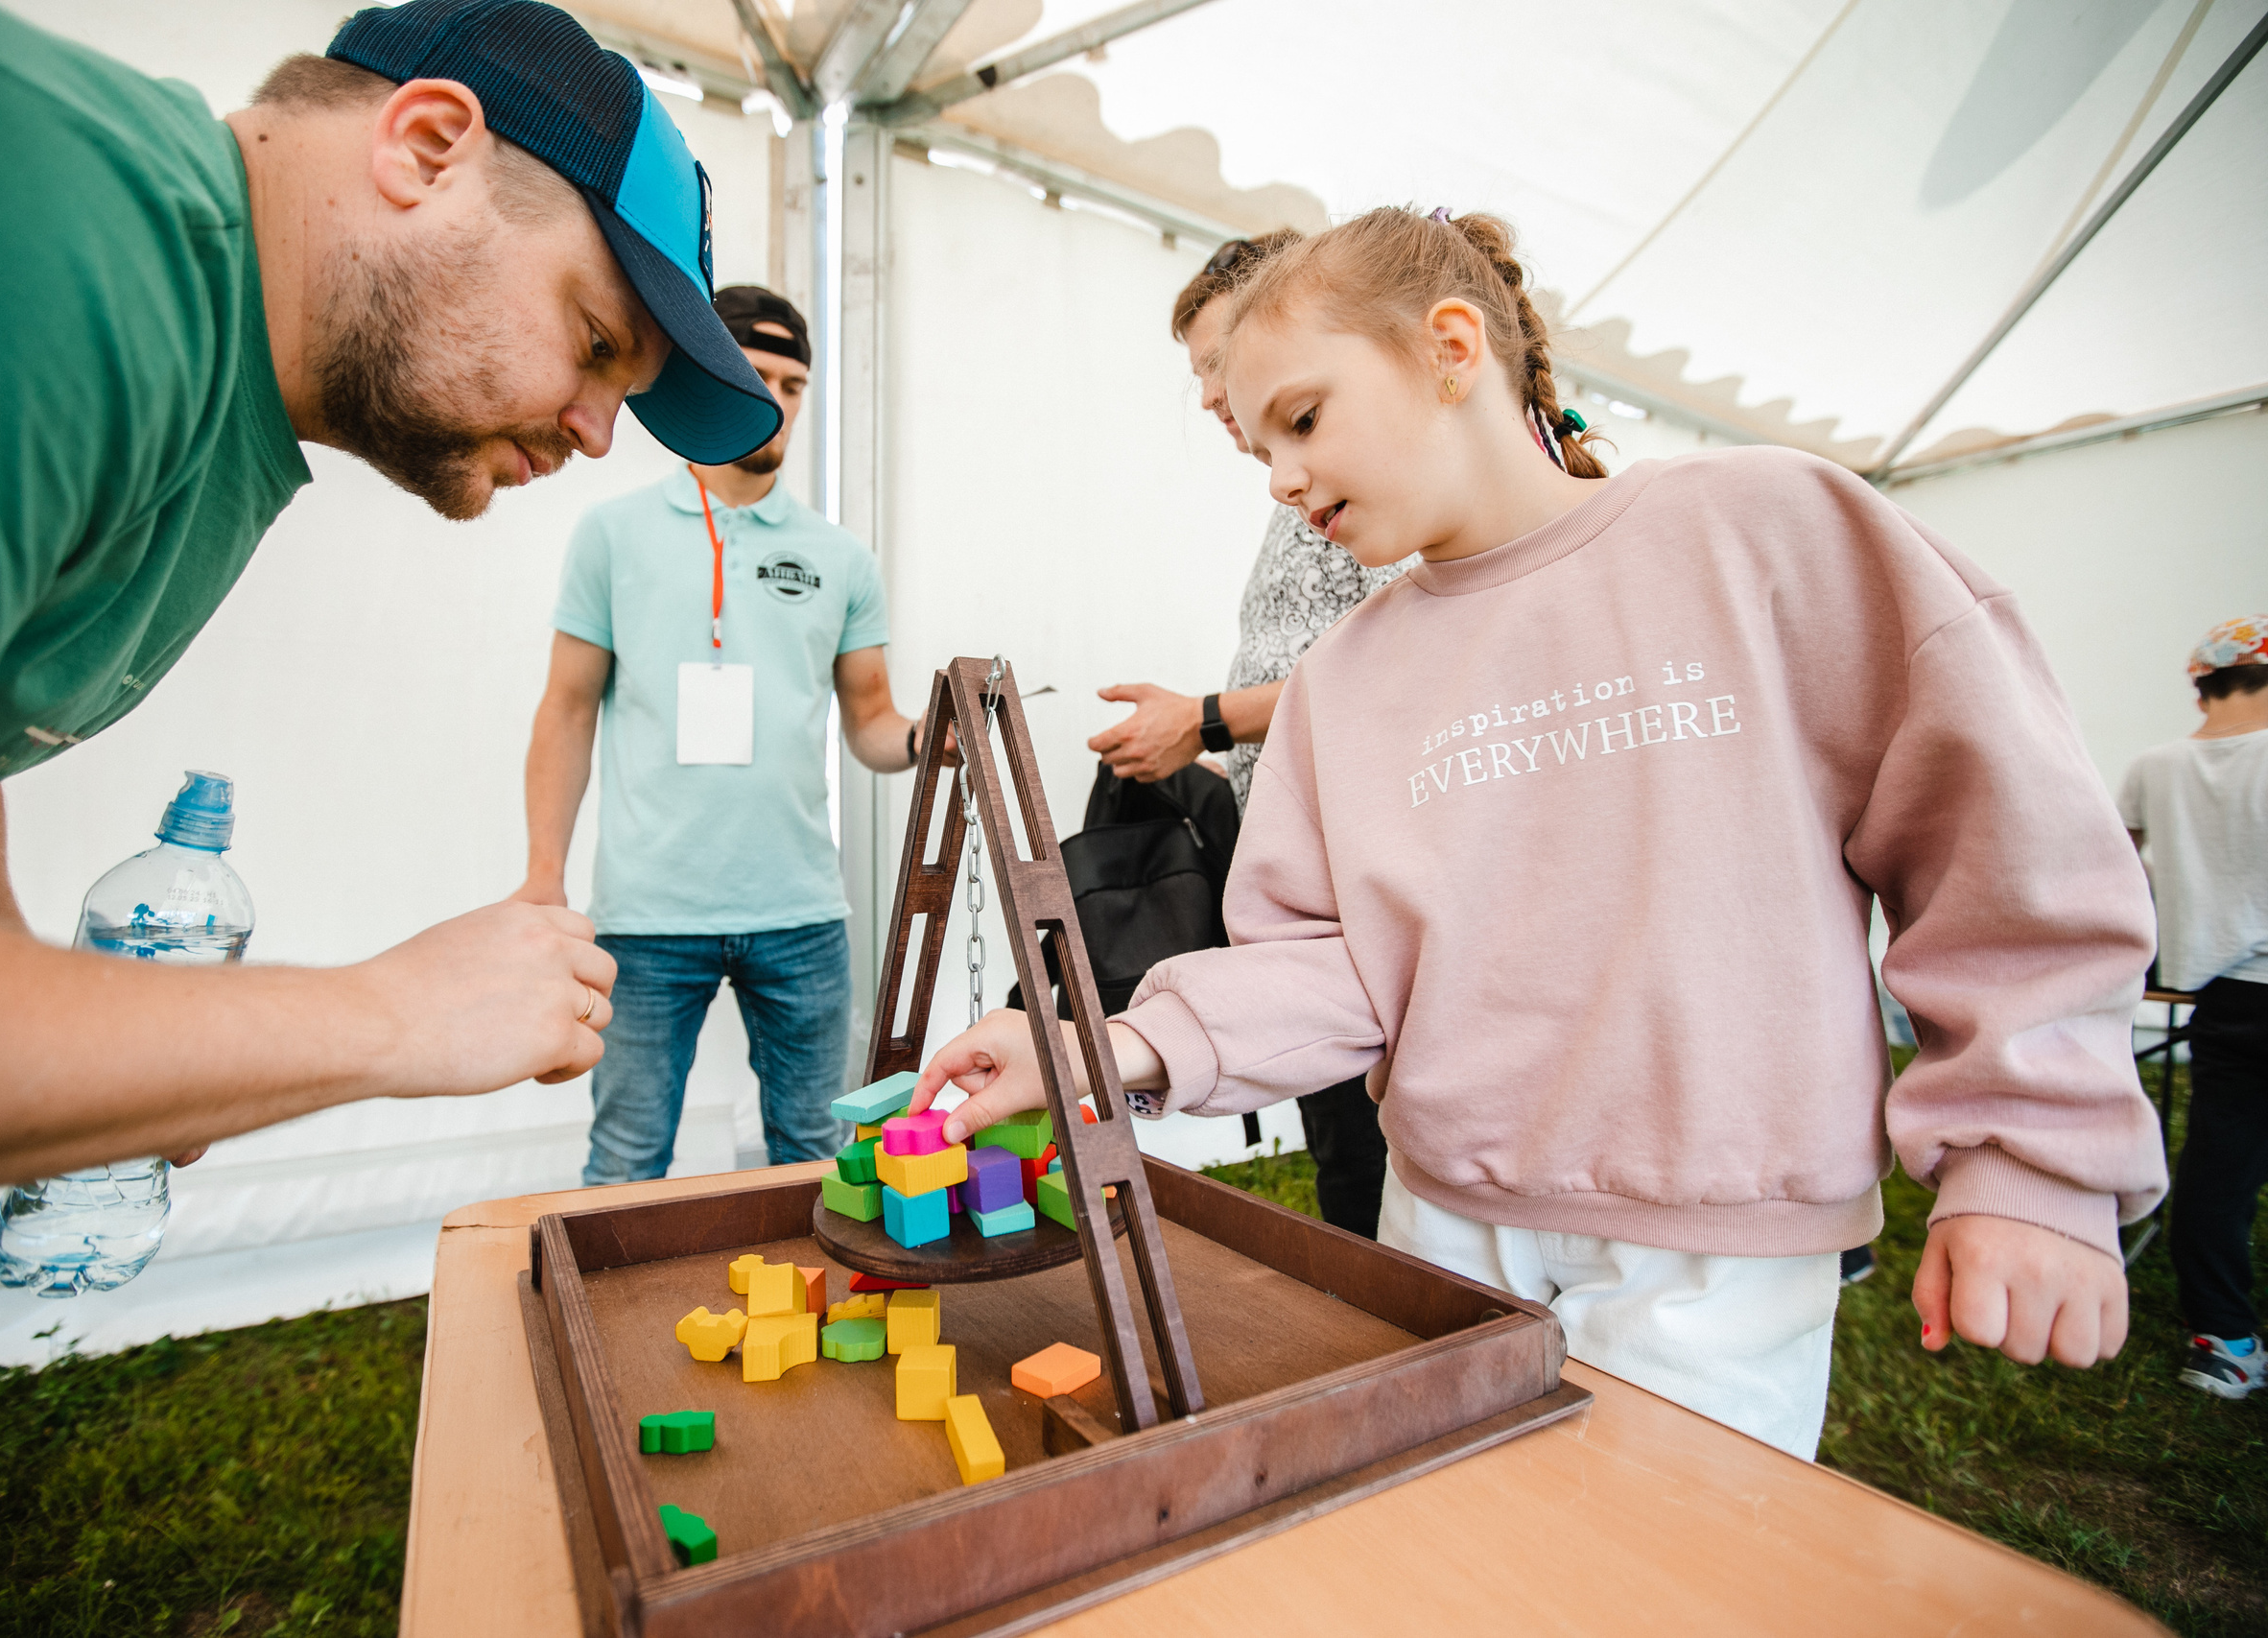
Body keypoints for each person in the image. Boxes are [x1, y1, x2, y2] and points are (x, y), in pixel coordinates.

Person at [906, 205, 2167, 1460]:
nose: (1283, 477)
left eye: (1301, 419)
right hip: (1445, 1220)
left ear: (1451, 346)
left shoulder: (1768, 527)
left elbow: (1999, 834)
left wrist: (2031, 1151)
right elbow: (1331, 964)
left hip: (1716, 1244)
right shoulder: (1340, 683)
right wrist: (1104, 1044)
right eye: (1258, 450)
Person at [0, 0, 786, 1208]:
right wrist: (388, 1016)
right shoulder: (58, 248)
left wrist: (67, 1032)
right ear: (426, 147)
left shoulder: (221, 385)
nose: (596, 436)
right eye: (594, 342)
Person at [513, 286, 928, 1183]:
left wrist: (939, 736)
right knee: (625, 1164)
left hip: (802, 913)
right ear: (712, 375)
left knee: (821, 1165)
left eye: (795, 384)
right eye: (758, 375)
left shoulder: (840, 558)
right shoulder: (612, 534)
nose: (777, 399)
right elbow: (568, 706)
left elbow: (872, 723)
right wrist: (544, 873)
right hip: (648, 915)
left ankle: (824, 1324)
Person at [1085, 230, 1401, 1240]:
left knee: (1372, 1152)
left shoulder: (1370, 488)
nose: (1214, 399)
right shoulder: (1293, 493)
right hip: (1308, 880)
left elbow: (1391, 659)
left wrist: (1207, 717)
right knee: (1340, 1140)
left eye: (1219, 365)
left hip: (1364, 885)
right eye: (1204, 381)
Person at [2118, 616, 2268, 1398]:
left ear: (2202, 682)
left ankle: (2224, 1340)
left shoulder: (2157, 765)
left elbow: (2111, 867)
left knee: (2218, 1168)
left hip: (2216, 991)